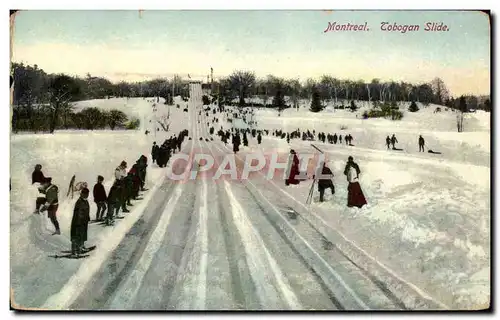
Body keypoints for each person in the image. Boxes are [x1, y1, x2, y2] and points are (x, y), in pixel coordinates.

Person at [71, 188, 90, 254]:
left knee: (83, 235)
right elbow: (78, 213)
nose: (86, 196)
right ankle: (74, 251)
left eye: (87, 194)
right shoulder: (79, 202)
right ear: (81, 194)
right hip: (78, 222)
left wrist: (88, 218)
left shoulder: (85, 201)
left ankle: (81, 247)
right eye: (85, 194)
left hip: (83, 222)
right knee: (76, 236)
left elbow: (86, 210)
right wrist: (79, 222)